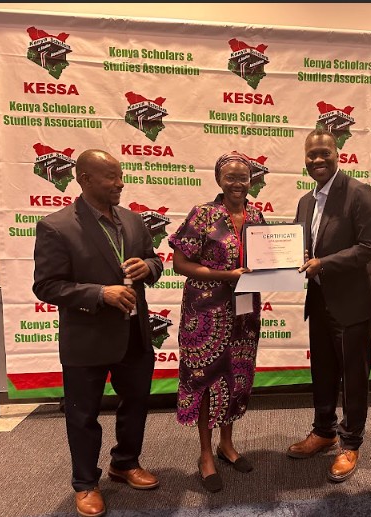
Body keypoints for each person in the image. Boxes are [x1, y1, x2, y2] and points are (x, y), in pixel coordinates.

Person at [32, 149, 163, 517]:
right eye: (111, 177)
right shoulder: (56, 226)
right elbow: (46, 286)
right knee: (83, 414)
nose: (120, 183)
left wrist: (148, 267)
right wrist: (99, 293)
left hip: (134, 333)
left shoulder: (133, 220)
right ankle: (86, 482)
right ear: (85, 179)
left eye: (120, 175)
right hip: (87, 338)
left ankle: (125, 462)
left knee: (136, 402)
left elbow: (155, 260)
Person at [287, 128, 371, 482]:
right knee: (323, 370)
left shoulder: (358, 193)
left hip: (354, 301)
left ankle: (351, 442)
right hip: (319, 299)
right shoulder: (306, 201)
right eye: (311, 154)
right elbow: (301, 245)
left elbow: (369, 246)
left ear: (337, 154)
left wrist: (323, 263)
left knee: (354, 375)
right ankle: (324, 430)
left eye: (324, 153)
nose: (317, 159)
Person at [168, 151, 264, 493]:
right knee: (207, 380)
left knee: (236, 376)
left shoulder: (256, 215)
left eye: (244, 177)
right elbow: (180, 263)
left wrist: (291, 264)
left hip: (244, 311)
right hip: (206, 313)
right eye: (231, 177)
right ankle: (205, 454)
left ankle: (226, 444)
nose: (238, 183)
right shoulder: (203, 214)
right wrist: (225, 275)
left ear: (251, 180)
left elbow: (268, 259)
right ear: (219, 180)